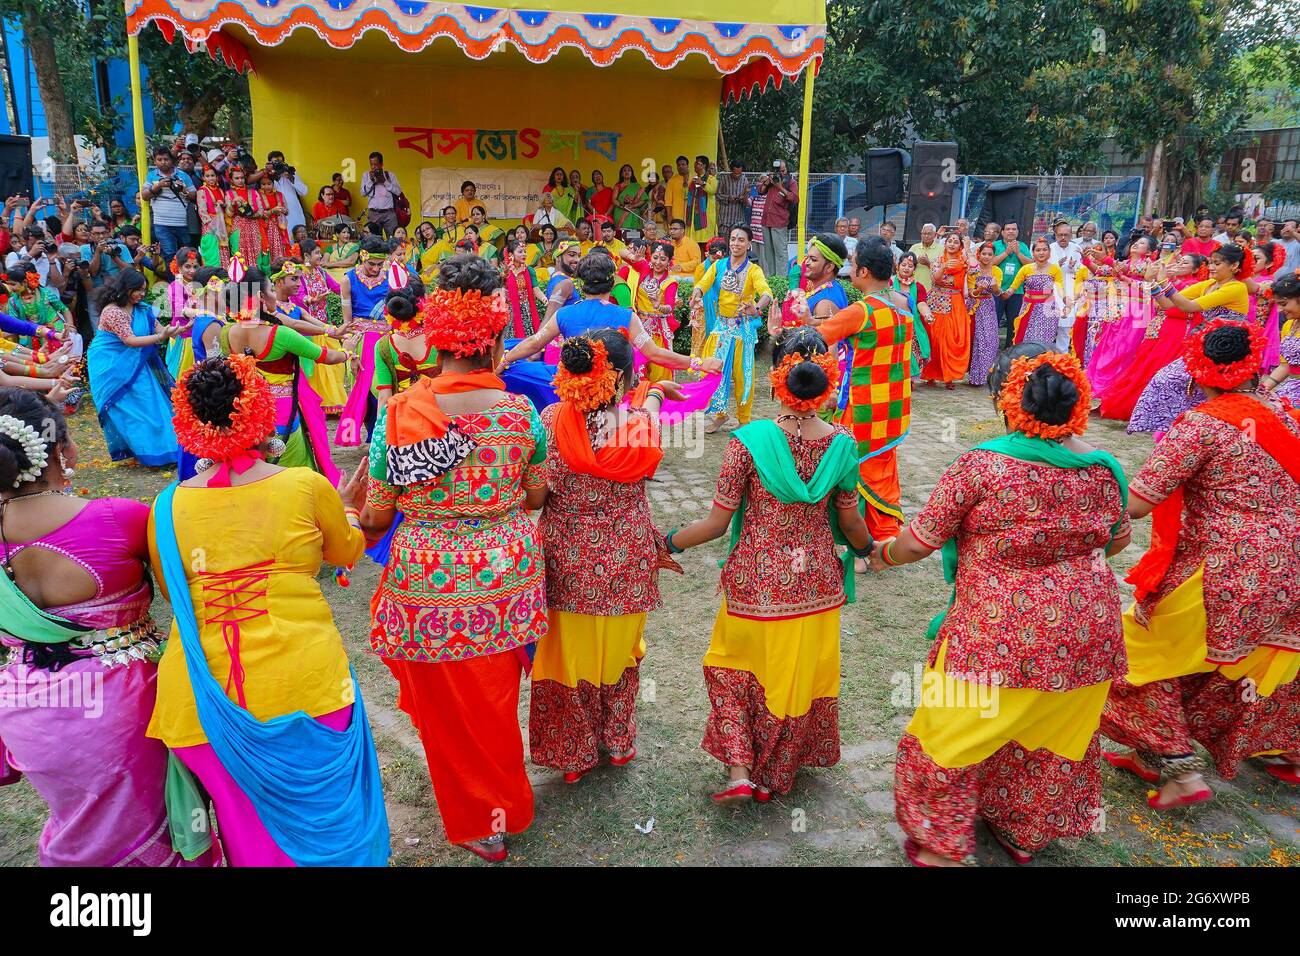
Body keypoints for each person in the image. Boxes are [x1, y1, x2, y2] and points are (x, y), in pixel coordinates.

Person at [877, 346, 1130, 866]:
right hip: (1089, 631)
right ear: (1077, 403)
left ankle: (942, 845)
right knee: (1050, 733)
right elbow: (1118, 540)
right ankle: (1024, 832)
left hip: (999, 632)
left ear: (1009, 402)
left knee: (947, 731)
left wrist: (880, 554)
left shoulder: (980, 467)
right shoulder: (1104, 471)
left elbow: (919, 542)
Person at [148, 356, 388, 865]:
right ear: (261, 410)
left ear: (188, 422)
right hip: (303, 688)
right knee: (331, 829)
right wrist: (346, 505)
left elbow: (175, 596)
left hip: (200, 705)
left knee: (247, 832)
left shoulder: (166, 506)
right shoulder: (303, 485)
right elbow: (347, 552)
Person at [361, 255, 546, 863]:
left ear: (435, 338)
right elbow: (538, 492)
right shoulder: (521, 415)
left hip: (426, 586)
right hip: (505, 584)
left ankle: (478, 818)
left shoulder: (399, 416)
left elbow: (378, 516)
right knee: (493, 700)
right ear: (494, 339)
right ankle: (501, 805)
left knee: (448, 709)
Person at [0, 389, 216, 867]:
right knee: (146, 825)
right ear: (61, 451)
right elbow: (188, 594)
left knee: (78, 824)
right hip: (121, 707)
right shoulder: (119, 519)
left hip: (27, 713)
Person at [664, 327, 873, 802]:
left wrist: (669, 541)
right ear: (828, 379)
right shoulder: (842, 443)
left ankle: (741, 769)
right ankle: (777, 774)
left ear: (777, 378)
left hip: (754, 579)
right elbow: (849, 516)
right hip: (816, 581)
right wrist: (867, 552)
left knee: (732, 665)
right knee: (795, 673)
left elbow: (717, 523)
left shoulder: (750, 441)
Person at [1102, 322, 1300, 806]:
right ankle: (1288, 753)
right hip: (1290, 564)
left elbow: (1140, 502)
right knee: (1256, 657)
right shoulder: (1289, 414)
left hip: (1224, 570)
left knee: (1134, 651)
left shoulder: (1201, 425)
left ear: (1194, 368)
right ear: (1255, 363)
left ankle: (1178, 768)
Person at [529, 329, 683, 782]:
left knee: (567, 655)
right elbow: (648, 415)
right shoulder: (638, 427)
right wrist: (654, 392)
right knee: (620, 652)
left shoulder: (550, 417)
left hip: (565, 558)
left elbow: (534, 488)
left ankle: (572, 757)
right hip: (627, 556)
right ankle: (616, 742)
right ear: (617, 380)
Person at [813, 238, 913, 542]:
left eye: (853, 264)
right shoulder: (902, 303)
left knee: (853, 473)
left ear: (865, 272)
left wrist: (782, 329)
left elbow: (816, 337)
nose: (850, 269)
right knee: (882, 471)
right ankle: (884, 536)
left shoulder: (862, 311)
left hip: (862, 408)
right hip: (893, 409)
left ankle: (858, 544)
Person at [1129, 244, 1252, 439]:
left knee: (1210, 390)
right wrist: (1152, 282)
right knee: (1166, 379)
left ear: (1234, 265)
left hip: (1230, 351)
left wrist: (1163, 281)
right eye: (1211, 262)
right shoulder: (1209, 284)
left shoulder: (1236, 287)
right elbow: (1168, 304)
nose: (1211, 267)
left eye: (1217, 263)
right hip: (1208, 346)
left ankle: (1205, 431)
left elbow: (1189, 306)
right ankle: (1180, 429)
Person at [86, 269, 181, 467]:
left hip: (136, 363)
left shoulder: (142, 309)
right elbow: (130, 340)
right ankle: (147, 452)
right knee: (130, 410)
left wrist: (178, 330)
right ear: (125, 289)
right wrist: (160, 337)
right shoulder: (113, 312)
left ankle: (165, 450)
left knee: (152, 403)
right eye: (137, 290)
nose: (141, 294)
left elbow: (160, 331)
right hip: (111, 365)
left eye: (144, 290)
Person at [691, 226, 773, 433]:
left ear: (749, 244)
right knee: (711, 370)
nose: (736, 243)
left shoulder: (754, 271)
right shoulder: (718, 266)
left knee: (743, 375)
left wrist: (757, 307)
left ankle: (744, 420)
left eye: (741, 240)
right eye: (733, 239)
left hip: (741, 331)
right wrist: (697, 293)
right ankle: (720, 414)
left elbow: (766, 293)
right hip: (721, 328)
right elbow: (703, 283)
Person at [337, 236, 394, 445]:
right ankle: (372, 436)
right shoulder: (348, 279)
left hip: (386, 340)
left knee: (384, 386)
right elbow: (347, 320)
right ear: (362, 257)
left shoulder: (392, 277)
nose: (375, 268)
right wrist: (351, 353)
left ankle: (385, 433)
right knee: (364, 389)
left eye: (380, 264)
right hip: (360, 340)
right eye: (371, 263)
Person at [1086, 235, 1153, 397]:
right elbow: (1101, 271)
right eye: (1135, 242)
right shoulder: (1124, 263)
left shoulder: (1149, 265)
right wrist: (1086, 260)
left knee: (1127, 346)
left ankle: (1117, 385)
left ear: (1150, 251)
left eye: (1142, 243)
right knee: (1110, 342)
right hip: (1118, 306)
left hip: (1138, 309)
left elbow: (1127, 271)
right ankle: (1103, 382)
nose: (1136, 244)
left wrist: (1106, 259)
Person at [292, 239, 348, 414]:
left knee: (333, 366)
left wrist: (352, 284)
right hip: (309, 328)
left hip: (325, 325)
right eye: (317, 253)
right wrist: (312, 300)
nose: (320, 256)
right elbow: (299, 296)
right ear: (307, 256)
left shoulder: (321, 272)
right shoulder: (298, 274)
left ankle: (333, 403)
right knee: (315, 368)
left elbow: (337, 287)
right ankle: (317, 406)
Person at [372, 280, 437, 409]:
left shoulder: (383, 345)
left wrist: (380, 428)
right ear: (424, 303)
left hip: (402, 417)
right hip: (436, 416)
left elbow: (384, 395)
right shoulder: (438, 338)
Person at [622, 239, 680, 382]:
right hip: (640, 326)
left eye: (663, 259)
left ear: (669, 261)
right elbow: (621, 253)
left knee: (659, 370)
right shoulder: (645, 268)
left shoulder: (670, 282)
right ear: (650, 257)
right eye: (655, 257)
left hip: (658, 330)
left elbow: (670, 308)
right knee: (640, 367)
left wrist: (658, 306)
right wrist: (633, 257)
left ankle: (659, 399)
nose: (658, 262)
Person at [920, 232, 972, 388]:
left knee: (951, 340)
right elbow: (935, 279)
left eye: (956, 242)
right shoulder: (938, 260)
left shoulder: (964, 262)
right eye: (950, 241)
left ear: (960, 246)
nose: (952, 244)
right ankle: (931, 374)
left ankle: (949, 376)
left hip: (955, 303)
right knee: (934, 338)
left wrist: (968, 249)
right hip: (936, 302)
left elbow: (975, 270)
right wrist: (943, 268)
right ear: (945, 243)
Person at [1001, 236, 1067, 347]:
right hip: (1029, 308)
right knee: (1026, 338)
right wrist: (1004, 293)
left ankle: (1042, 363)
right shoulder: (1026, 269)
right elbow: (1013, 288)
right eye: (1038, 250)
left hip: (1048, 309)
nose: (1041, 253)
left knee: (1045, 340)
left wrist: (1067, 304)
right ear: (1033, 253)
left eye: (1044, 250)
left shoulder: (1055, 269)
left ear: (1049, 252)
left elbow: (1060, 289)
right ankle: (1027, 363)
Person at [142, 146, 198, 265]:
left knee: (189, 255)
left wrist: (183, 190)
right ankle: (173, 283)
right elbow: (144, 196)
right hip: (162, 224)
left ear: (171, 160)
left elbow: (194, 196)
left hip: (183, 223)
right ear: (155, 161)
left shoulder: (183, 175)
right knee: (169, 255)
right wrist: (157, 186)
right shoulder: (151, 175)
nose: (163, 162)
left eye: (166, 159)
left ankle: (189, 282)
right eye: (159, 159)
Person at [965, 242, 1003, 386]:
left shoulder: (997, 271)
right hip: (974, 307)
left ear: (994, 256)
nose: (986, 257)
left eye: (990, 254)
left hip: (988, 308)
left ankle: (985, 374)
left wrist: (995, 288)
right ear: (978, 255)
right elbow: (970, 293)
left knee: (989, 341)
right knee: (976, 340)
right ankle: (974, 376)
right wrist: (979, 290)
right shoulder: (973, 270)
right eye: (984, 254)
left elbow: (999, 293)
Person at [890, 251, 932, 378]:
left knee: (911, 352)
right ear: (898, 266)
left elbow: (921, 303)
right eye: (903, 265)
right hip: (893, 324)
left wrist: (927, 314)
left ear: (914, 269)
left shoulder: (918, 287)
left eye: (910, 266)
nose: (906, 268)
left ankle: (910, 378)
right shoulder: (890, 283)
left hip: (911, 326)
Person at [1261, 275, 1300, 402]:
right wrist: (1262, 390)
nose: (1279, 310)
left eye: (1283, 304)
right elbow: (1285, 366)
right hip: (1290, 387)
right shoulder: (1289, 325)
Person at [993, 222, 1031, 347]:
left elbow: (1030, 265)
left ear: (1017, 232)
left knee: (1014, 325)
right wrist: (1006, 252)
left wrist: (1018, 253)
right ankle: (991, 352)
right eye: (1007, 229)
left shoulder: (1023, 246)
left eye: (1014, 229)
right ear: (1002, 232)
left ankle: (1010, 354)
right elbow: (988, 262)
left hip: (1016, 292)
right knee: (993, 323)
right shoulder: (995, 245)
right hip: (996, 291)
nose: (1011, 231)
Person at [757, 160, 797, 277]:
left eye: (782, 171)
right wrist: (767, 182)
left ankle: (781, 281)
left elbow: (794, 198)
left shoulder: (791, 182)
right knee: (768, 253)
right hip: (766, 221)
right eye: (777, 171)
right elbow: (760, 191)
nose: (780, 173)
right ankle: (771, 280)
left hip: (779, 222)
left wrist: (780, 187)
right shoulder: (771, 181)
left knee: (780, 253)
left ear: (787, 170)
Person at [262, 151, 307, 235]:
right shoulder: (266, 177)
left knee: (298, 240)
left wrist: (291, 177)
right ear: (269, 163)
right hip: (276, 216)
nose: (278, 165)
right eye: (275, 163)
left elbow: (304, 192)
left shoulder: (291, 174)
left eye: (280, 162)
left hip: (295, 213)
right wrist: (268, 173)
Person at [195, 164, 231, 269]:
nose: (211, 178)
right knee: (212, 251)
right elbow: (202, 211)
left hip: (221, 224)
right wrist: (212, 225)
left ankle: (224, 274)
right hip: (210, 226)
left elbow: (225, 207)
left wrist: (222, 204)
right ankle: (212, 277)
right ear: (203, 178)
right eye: (208, 176)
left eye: (213, 175)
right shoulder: (202, 190)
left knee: (223, 251)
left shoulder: (220, 190)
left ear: (217, 177)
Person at [361, 152, 403, 238]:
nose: (373, 167)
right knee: (374, 240)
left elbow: (398, 192)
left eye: (375, 164)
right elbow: (363, 193)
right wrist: (371, 181)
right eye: (371, 164)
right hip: (373, 213)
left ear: (381, 164)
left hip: (389, 213)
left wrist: (385, 182)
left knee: (393, 240)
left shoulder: (390, 175)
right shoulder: (366, 176)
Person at [683, 155, 718, 244]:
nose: (695, 165)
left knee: (705, 243)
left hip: (705, 217)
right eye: (695, 163)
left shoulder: (711, 179)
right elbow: (687, 195)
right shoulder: (694, 179)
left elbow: (713, 190)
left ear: (704, 166)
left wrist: (703, 183)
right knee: (694, 243)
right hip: (693, 216)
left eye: (698, 163)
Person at [612, 164, 647, 233]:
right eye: (624, 170)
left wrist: (632, 206)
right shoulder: (617, 186)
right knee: (622, 235)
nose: (627, 172)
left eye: (629, 170)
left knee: (634, 235)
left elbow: (644, 200)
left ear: (632, 173)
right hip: (620, 213)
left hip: (634, 213)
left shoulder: (637, 186)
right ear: (621, 174)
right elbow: (614, 200)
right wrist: (623, 207)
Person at [717, 161, 748, 234]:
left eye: (739, 173)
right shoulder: (724, 179)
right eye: (735, 173)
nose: (737, 175)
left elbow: (747, 199)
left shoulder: (745, 180)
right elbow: (717, 194)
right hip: (724, 219)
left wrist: (742, 198)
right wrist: (728, 198)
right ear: (731, 170)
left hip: (738, 219)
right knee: (724, 244)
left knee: (736, 243)